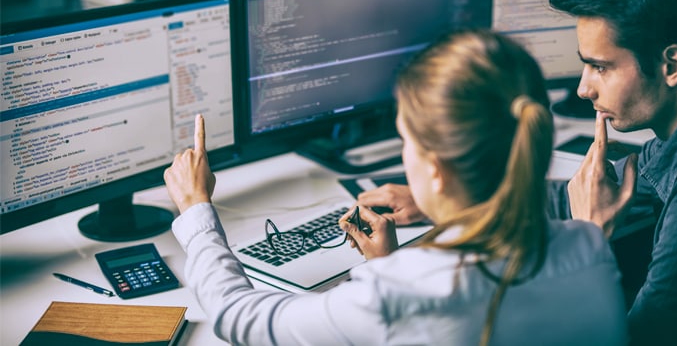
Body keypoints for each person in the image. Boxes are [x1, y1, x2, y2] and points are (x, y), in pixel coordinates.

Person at [163, 29, 627, 345]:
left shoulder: (401, 292)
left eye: (406, 139)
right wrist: (387, 266)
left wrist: (195, 207)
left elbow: (238, 317)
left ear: (438, 170)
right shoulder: (590, 242)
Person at [361, 0, 677, 345]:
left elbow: (637, 338)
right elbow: (582, 194)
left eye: (600, 66)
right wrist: (445, 197)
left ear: (671, 66)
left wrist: (589, 237)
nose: (584, 88)